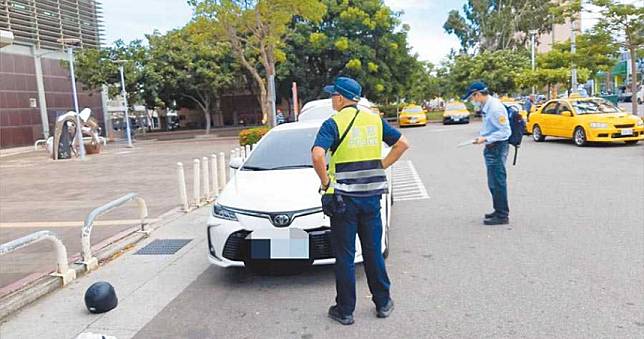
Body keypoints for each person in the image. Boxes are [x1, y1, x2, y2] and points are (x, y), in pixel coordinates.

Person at [311, 77, 409, 325]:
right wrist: (379, 168)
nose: (331, 99)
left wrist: (325, 183)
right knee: (373, 252)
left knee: (344, 256)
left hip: (344, 200)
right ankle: (383, 303)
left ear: (341, 98)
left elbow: (317, 155)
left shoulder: (332, 123)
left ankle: (345, 311)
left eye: (333, 95)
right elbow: (402, 144)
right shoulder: (374, 120)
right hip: (371, 198)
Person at [462, 81, 512, 225]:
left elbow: (505, 131)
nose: (473, 101)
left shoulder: (495, 108)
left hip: (497, 147)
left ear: (477, 94)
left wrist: (486, 138)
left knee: (498, 181)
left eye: (472, 98)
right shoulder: (487, 106)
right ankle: (498, 209)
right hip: (491, 147)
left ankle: (502, 215)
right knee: (493, 183)